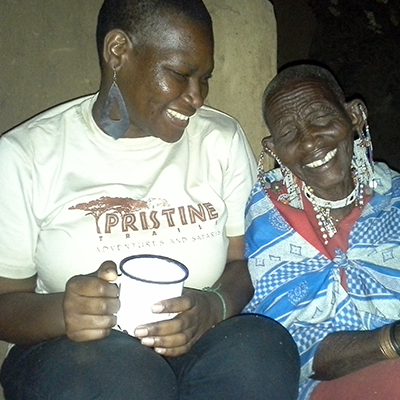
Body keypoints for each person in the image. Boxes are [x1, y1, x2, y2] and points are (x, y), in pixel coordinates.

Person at [0, 1, 300, 399]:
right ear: (118, 52)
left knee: (261, 350)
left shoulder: (219, 139)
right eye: (179, 74)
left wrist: (215, 307)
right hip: (74, 356)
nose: (195, 97)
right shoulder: (27, 155)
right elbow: (6, 304)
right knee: (123, 376)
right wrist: (64, 312)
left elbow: (243, 261)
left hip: (196, 344)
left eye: (204, 78)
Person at [244, 63, 400, 400]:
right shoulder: (270, 217)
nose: (310, 140)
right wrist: (393, 341)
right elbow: (295, 347)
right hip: (321, 386)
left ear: (354, 116)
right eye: (288, 133)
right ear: (274, 149)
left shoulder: (395, 197)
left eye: (321, 117)